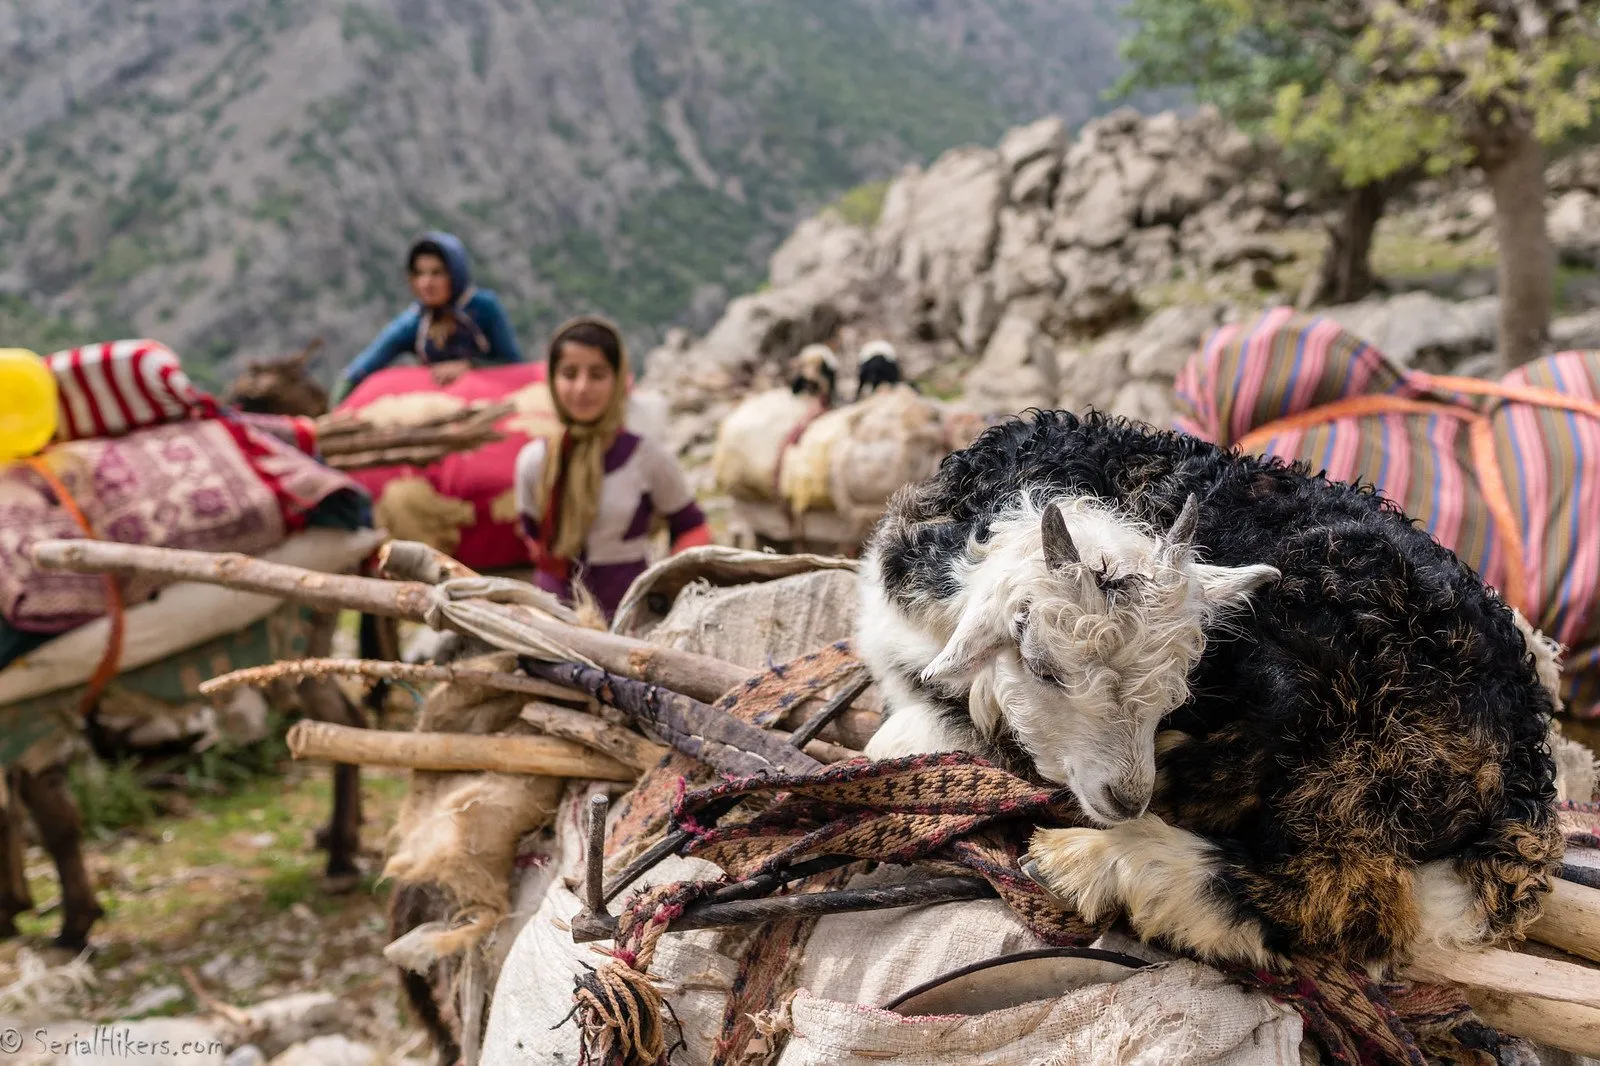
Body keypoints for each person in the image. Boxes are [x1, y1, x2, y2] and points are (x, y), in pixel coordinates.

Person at [513, 316, 712, 621]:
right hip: (552, 621)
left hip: (632, 619)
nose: (582, 387)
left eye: (597, 374)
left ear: (618, 379)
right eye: (569, 374)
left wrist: (668, 588)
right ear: (552, 380)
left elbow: (692, 527)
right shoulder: (534, 461)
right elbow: (532, 538)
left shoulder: (647, 458)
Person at [332, 231, 524, 403]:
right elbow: (361, 368)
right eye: (419, 274)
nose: (426, 283)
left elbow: (513, 364)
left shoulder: (483, 308)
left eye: (437, 273)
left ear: (455, 274)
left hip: (493, 402)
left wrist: (470, 366)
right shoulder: (414, 322)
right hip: (441, 407)